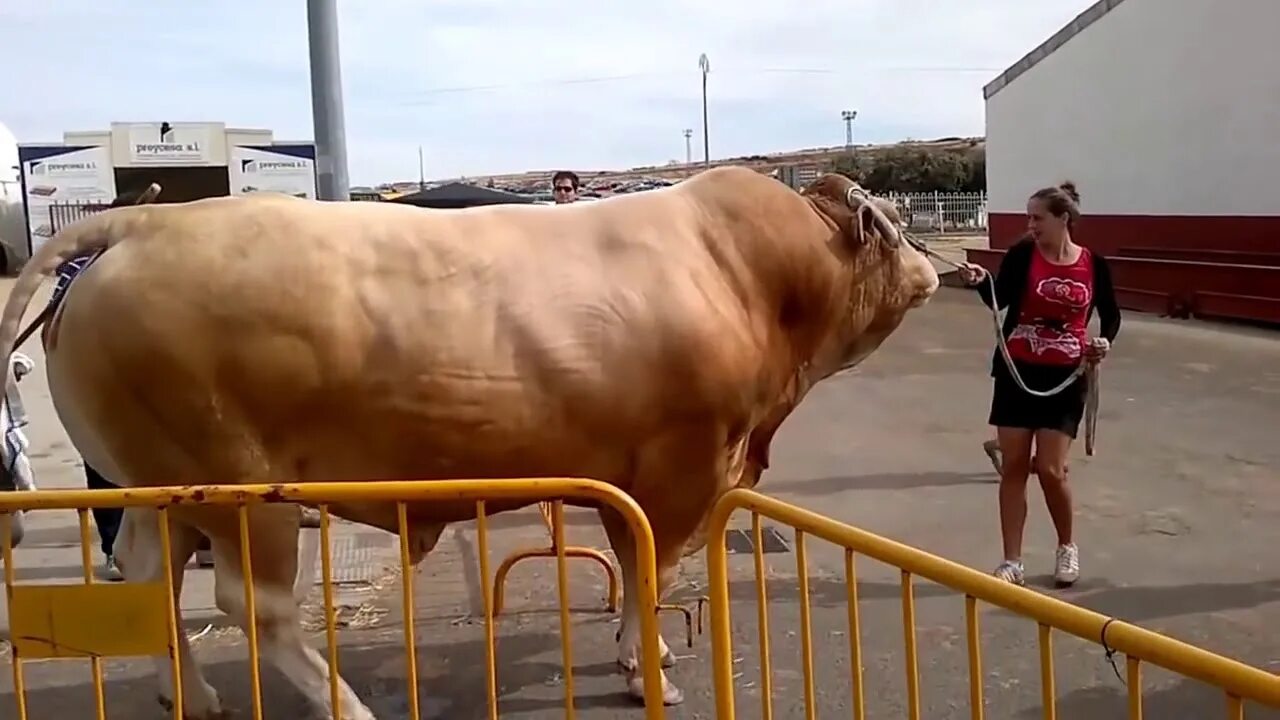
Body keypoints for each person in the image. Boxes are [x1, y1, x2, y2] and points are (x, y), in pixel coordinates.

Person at [957, 181, 1121, 588]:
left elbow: (1111, 315)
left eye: (1037, 218)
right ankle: (1012, 561)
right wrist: (981, 282)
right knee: (1014, 466)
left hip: (1066, 377)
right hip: (1017, 372)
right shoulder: (1021, 256)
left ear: (1063, 218)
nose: (1030, 225)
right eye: (1028, 218)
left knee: (1051, 469)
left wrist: (1104, 343)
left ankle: (1067, 546)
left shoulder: (1093, 264)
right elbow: (1002, 298)